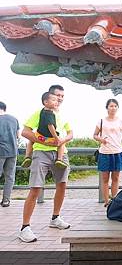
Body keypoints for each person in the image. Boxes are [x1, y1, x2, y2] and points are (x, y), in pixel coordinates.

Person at [19, 85, 72, 243]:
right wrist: (44, 140)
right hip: (41, 152)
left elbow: (70, 132)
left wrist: (64, 139)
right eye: (57, 95)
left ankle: (55, 218)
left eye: (62, 96)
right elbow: (25, 132)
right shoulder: (41, 112)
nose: (60, 98)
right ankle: (25, 228)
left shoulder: (62, 115)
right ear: (49, 98)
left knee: (62, 185)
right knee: (35, 188)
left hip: (61, 154)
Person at [93, 99, 122, 207]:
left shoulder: (121, 121)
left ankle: (115, 200)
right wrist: (101, 140)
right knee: (105, 179)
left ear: (118, 108)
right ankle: (107, 201)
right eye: (111, 106)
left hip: (117, 152)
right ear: (107, 108)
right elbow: (94, 135)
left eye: (115, 106)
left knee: (116, 179)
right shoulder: (101, 121)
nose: (113, 108)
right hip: (104, 152)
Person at [21, 92, 68, 169]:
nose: (56, 102)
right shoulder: (50, 113)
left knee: (31, 141)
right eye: (54, 100)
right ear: (46, 102)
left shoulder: (42, 111)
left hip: (39, 136)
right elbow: (50, 126)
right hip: (50, 138)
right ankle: (59, 159)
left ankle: (27, 157)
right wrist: (56, 137)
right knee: (61, 143)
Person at [0, 101, 20, 207]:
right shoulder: (14, 119)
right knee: (10, 177)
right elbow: (18, 136)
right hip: (13, 152)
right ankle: (6, 200)